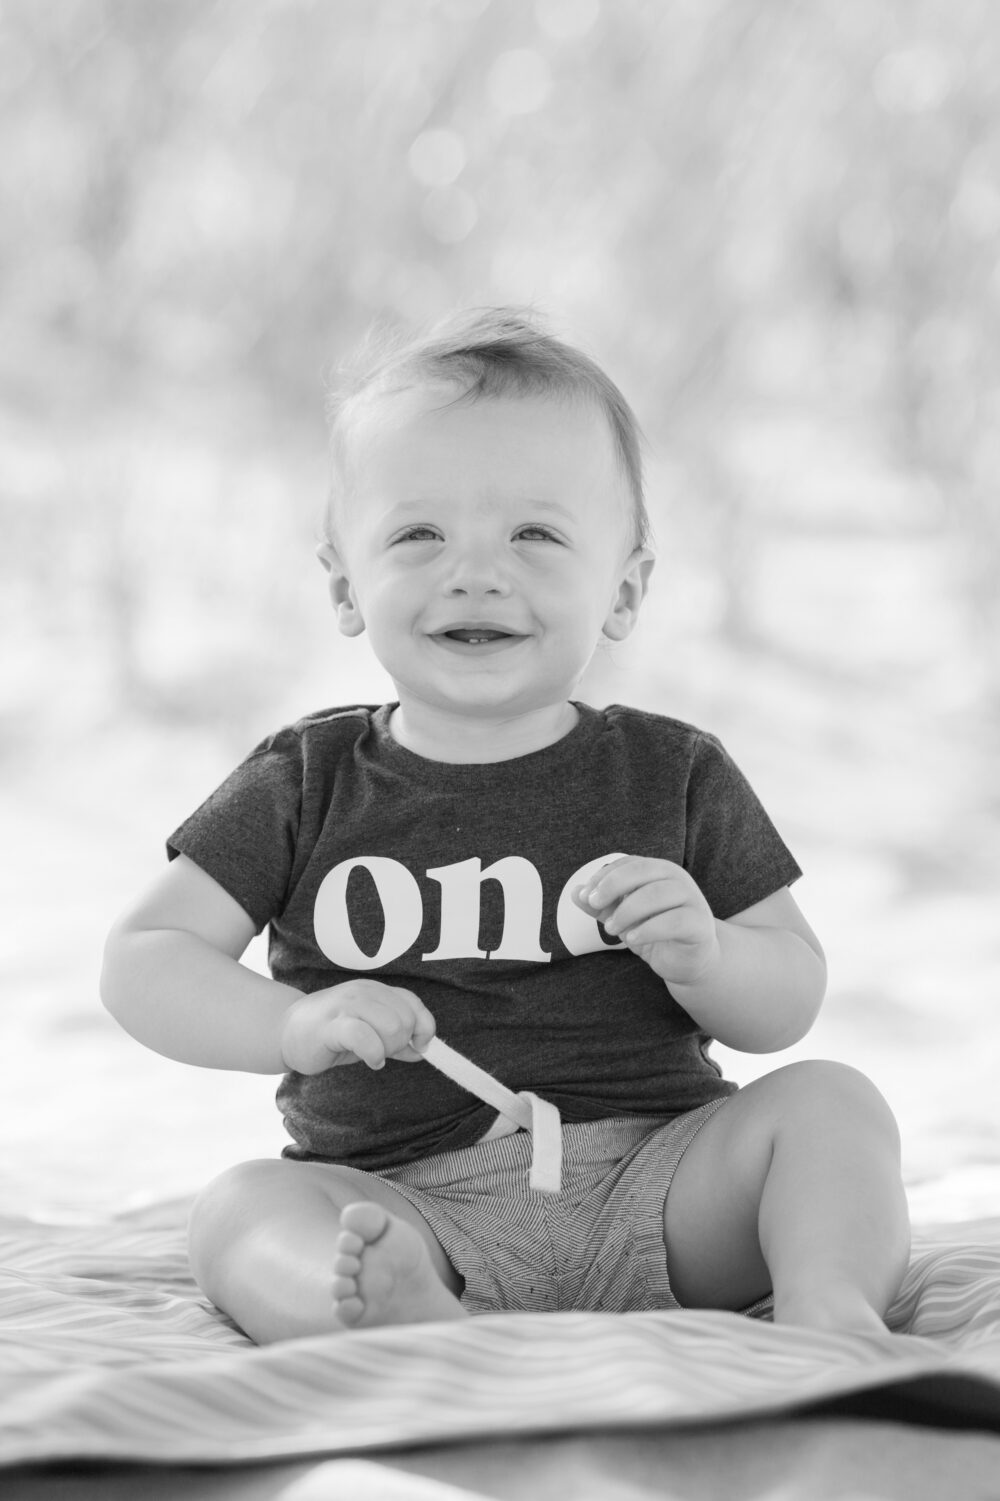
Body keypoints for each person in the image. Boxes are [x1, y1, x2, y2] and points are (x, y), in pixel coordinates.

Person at [101, 308, 911, 1346]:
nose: (476, 572)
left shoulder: (672, 772)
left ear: (624, 588)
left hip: (662, 1185)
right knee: (240, 1209)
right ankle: (401, 1318)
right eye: (419, 535)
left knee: (833, 1104)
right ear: (346, 585)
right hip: (404, 1198)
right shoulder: (303, 781)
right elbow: (144, 958)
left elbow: (789, 995)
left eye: (534, 534)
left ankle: (829, 1305)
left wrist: (709, 955)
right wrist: (291, 1024)